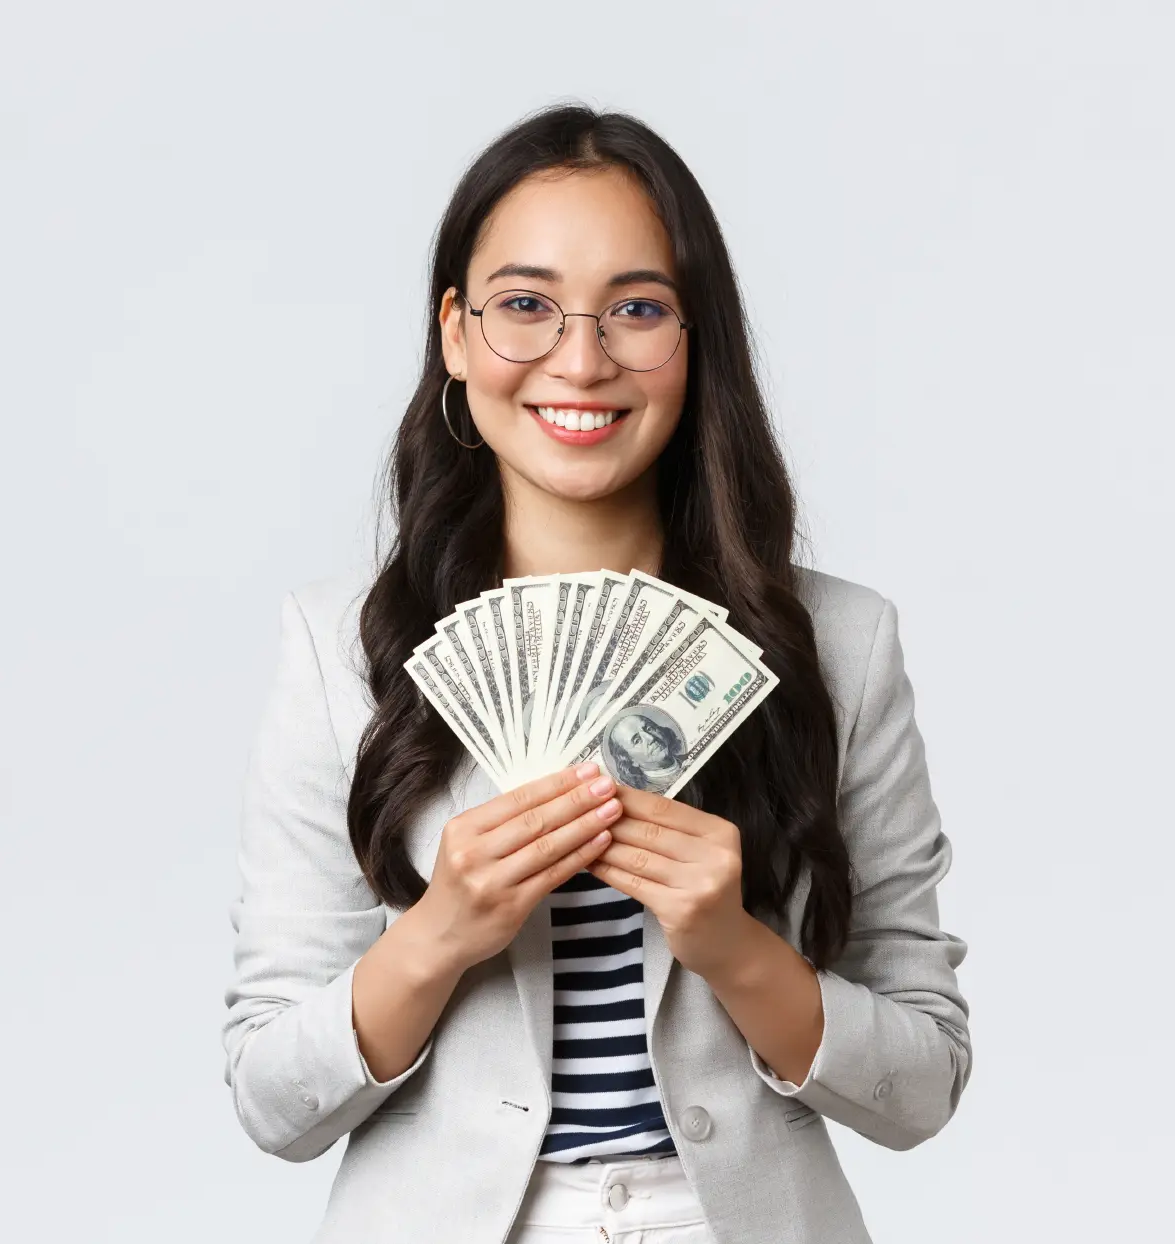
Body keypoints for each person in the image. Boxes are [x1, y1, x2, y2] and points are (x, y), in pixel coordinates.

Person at [222, 105, 973, 1244]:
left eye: (637, 308)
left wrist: (737, 947)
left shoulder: (839, 643)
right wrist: (440, 934)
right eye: (525, 305)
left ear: (696, 340)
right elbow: (271, 1098)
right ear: (457, 335)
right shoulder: (341, 649)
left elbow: (922, 1084)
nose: (581, 357)